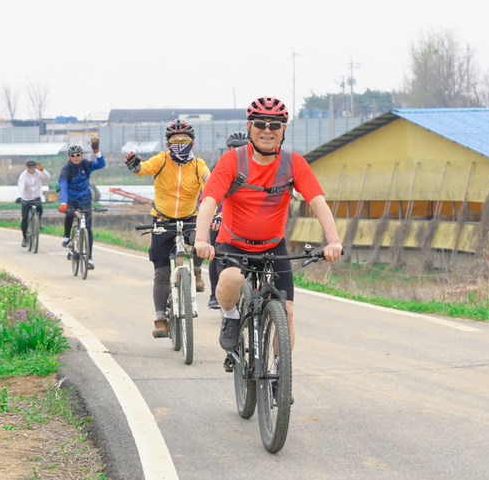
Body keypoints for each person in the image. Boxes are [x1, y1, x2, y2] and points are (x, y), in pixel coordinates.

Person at [194, 96, 343, 354]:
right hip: (233, 245)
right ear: (250, 127)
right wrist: (201, 240)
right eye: (260, 123)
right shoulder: (233, 161)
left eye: (275, 125)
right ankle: (230, 317)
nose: (267, 130)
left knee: (286, 312)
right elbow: (208, 201)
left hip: (273, 246)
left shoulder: (293, 163)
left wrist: (333, 242)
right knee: (229, 280)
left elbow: (318, 203)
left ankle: (277, 379)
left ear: (283, 130)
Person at [124, 119, 210, 338]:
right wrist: (134, 164)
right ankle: (161, 318)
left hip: (190, 217)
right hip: (162, 220)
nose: (179, 144)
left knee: (201, 240)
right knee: (161, 273)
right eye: (174, 141)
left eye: (184, 140)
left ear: (192, 142)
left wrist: (216, 207)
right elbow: (141, 169)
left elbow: (209, 186)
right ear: (167, 143)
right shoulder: (161, 160)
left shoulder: (199, 165)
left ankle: (197, 270)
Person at [206, 131, 250, 309]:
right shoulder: (220, 165)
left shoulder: (254, 165)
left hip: (245, 219)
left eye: (242, 147)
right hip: (221, 217)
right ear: (228, 148)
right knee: (216, 254)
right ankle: (215, 294)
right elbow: (213, 194)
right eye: (234, 147)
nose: (238, 150)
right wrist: (217, 214)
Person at [58, 140, 106, 269]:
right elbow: (62, 186)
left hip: (85, 199)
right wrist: (63, 202)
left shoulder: (86, 164)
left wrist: (97, 151)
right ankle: (67, 237)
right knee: (69, 215)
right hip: (72, 199)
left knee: (88, 230)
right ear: (69, 156)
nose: (75, 157)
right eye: (72, 155)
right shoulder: (66, 170)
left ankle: (89, 259)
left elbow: (101, 165)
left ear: (81, 155)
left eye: (78, 154)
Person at [17, 159, 51, 247]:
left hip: (36, 196)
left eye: (33, 167)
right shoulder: (23, 176)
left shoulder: (38, 173)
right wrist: (21, 197)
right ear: (26, 167)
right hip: (26, 198)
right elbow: (21, 186)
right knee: (24, 219)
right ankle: (25, 238)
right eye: (29, 167)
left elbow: (48, 177)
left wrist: (42, 170)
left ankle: (38, 221)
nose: (31, 169)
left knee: (40, 207)